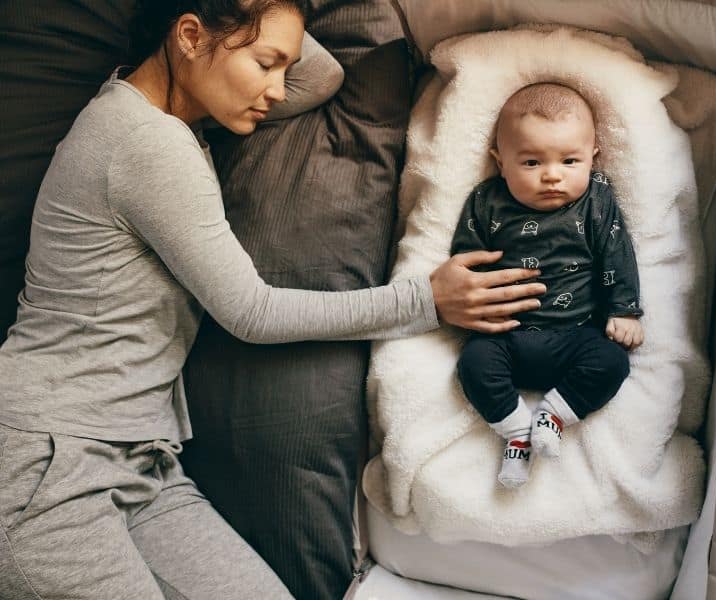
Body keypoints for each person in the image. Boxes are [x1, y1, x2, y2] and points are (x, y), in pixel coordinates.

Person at [0, 1, 546, 598]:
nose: (277, 89)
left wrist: (271, 26)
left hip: (140, 461)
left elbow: (322, 77)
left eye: (280, 66)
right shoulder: (144, 143)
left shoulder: (173, 117)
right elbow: (252, 313)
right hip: (48, 463)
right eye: (265, 64)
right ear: (187, 33)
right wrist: (426, 301)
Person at [452, 82, 645, 489]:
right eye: (532, 163)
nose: (553, 176)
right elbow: (465, 263)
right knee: (472, 366)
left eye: (570, 161)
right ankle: (517, 431)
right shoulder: (485, 202)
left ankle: (552, 415)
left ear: (593, 158)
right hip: (506, 334)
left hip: (577, 334)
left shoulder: (596, 199)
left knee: (613, 362)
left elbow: (617, 252)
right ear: (500, 162)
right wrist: (474, 304)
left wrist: (624, 309)